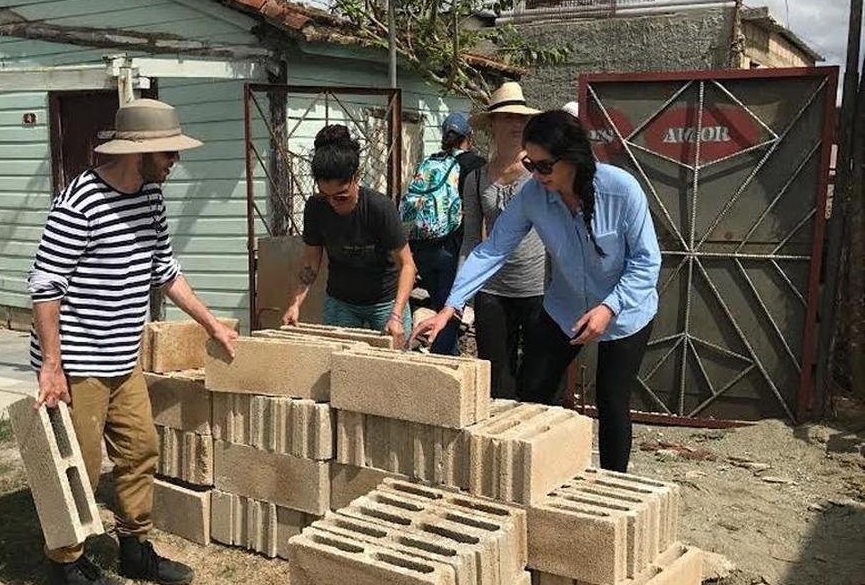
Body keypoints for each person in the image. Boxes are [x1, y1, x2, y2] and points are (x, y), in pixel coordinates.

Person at [28, 99, 238, 585]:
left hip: (123, 359)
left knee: (141, 450)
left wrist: (212, 325)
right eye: (168, 153)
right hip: (78, 363)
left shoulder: (150, 198)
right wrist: (52, 366)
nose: (175, 162)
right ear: (137, 153)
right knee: (78, 464)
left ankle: (134, 548)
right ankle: (65, 564)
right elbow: (45, 285)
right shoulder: (79, 203)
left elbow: (165, 270)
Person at [411, 109, 660, 473]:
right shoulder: (533, 195)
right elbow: (494, 249)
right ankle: (535, 473)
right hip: (566, 308)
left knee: (611, 402)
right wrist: (450, 307)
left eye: (544, 166)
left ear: (572, 158)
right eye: (530, 164)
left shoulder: (621, 190)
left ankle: (614, 484)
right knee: (532, 390)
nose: (536, 174)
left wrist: (610, 307)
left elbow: (646, 263)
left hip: (626, 310)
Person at [283, 125, 416, 347]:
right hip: (341, 302)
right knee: (338, 361)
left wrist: (396, 315)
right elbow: (310, 264)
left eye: (341, 196)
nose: (332, 203)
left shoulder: (379, 207)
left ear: (357, 177)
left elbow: (408, 265)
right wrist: (295, 304)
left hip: (385, 302)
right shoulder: (315, 208)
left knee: (394, 363)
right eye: (325, 196)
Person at [461, 83, 547, 397]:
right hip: (492, 289)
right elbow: (471, 238)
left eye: (521, 118)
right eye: (507, 117)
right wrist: (462, 292)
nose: (515, 123)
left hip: (537, 286)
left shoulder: (541, 173)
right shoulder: (476, 178)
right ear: (492, 125)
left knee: (539, 376)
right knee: (497, 378)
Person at [399, 111, 479, 355]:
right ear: (469, 137)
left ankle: (446, 353)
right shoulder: (475, 165)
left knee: (439, 305)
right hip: (453, 248)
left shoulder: (431, 162)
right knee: (451, 308)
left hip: (422, 247)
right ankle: (444, 359)